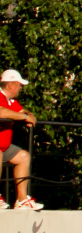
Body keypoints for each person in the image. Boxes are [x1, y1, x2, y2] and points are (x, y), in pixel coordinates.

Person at [0, 70, 41, 211]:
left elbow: (28, 114)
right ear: (10, 85)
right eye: (19, 85)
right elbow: (1, 112)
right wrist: (23, 117)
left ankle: (22, 199)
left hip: (4, 146)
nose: (20, 88)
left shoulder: (11, 101)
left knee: (23, 156)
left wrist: (28, 116)